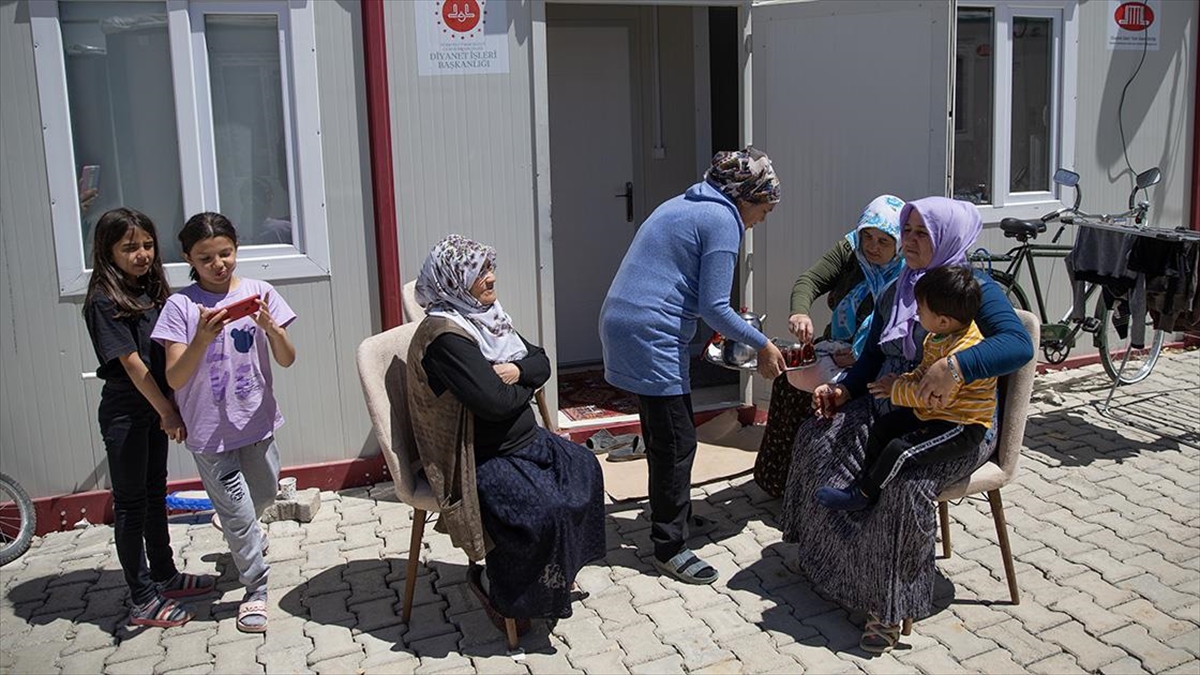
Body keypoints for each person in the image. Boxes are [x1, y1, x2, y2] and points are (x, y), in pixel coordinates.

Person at [780, 196, 1033, 653]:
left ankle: (889, 607)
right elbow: (875, 352)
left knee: (903, 483)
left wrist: (956, 368)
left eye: (922, 233)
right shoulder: (902, 283)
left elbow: (1018, 345)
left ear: (946, 239)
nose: (910, 241)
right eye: (908, 230)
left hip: (956, 423)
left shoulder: (972, 288)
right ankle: (831, 563)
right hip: (899, 401)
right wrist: (845, 390)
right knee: (821, 436)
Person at [599, 147, 787, 585]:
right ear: (746, 197)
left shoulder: (689, 202)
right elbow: (715, 308)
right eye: (764, 208)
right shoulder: (723, 221)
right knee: (677, 443)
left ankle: (675, 516)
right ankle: (669, 546)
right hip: (651, 331)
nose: (763, 218)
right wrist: (761, 345)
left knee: (665, 430)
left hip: (627, 319)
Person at [408, 234, 605, 628]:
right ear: (453, 279)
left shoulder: (488, 319)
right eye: (480, 271)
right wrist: (527, 378)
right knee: (543, 509)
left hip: (523, 441)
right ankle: (495, 584)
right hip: (481, 455)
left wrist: (518, 373)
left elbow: (541, 361)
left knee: (585, 469)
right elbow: (495, 404)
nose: (491, 277)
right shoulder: (446, 338)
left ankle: (554, 575)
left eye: (489, 267)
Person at [151, 212, 297, 634]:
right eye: (206, 257)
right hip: (208, 431)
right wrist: (202, 337)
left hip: (257, 421)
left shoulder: (260, 292)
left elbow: (287, 359)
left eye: (226, 253)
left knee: (265, 492)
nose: (218, 264)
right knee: (237, 514)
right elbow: (175, 377)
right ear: (188, 259)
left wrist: (272, 330)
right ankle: (255, 589)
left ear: (237, 249)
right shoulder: (180, 307)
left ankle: (243, 530)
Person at [82, 208, 215, 628]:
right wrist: (166, 410)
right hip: (128, 411)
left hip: (159, 407)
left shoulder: (151, 290)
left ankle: (165, 574)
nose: (141, 254)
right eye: (129, 247)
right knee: (132, 504)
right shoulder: (104, 299)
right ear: (108, 251)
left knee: (156, 492)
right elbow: (133, 364)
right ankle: (142, 598)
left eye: (146, 245)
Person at [753, 194, 905, 498]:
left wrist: (861, 356)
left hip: (873, 359)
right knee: (788, 382)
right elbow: (809, 280)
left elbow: (899, 332)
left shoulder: (906, 274)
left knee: (827, 404)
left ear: (899, 244)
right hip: (835, 347)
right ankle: (781, 483)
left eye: (883, 241)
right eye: (868, 237)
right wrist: (800, 311)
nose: (872, 247)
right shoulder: (851, 250)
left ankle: (817, 488)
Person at [814, 265, 995, 511]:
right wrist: (904, 380)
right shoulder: (938, 335)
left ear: (942, 320)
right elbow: (925, 371)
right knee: (883, 428)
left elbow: (933, 397)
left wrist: (896, 389)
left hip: (960, 424)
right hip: (933, 414)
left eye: (921, 309)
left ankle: (864, 495)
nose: (917, 313)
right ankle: (867, 483)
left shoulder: (964, 347)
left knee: (900, 451)